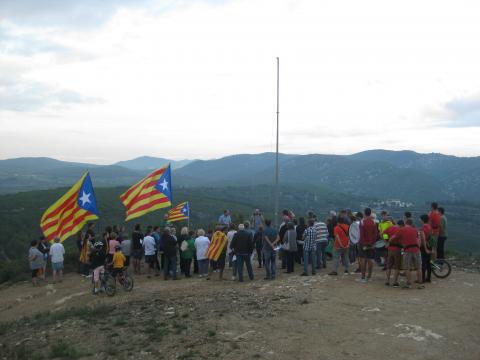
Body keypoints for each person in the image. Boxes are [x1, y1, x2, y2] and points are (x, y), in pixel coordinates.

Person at [395, 218, 423, 289]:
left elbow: (396, 237)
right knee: (419, 267)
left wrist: (389, 241)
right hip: (416, 249)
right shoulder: (415, 230)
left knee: (407, 268)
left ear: (405, 222)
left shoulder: (402, 229)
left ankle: (409, 284)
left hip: (407, 250)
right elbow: (418, 239)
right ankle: (420, 284)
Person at [359, 208, 378, 283]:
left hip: (363, 243)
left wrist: (364, 243)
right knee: (370, 259)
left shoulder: (362, 222)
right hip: (371, 243)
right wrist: (373, 243)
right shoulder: (373, 222)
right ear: (370, 213)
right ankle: (369, 276)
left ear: (364, 213)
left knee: (363, 259)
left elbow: (362, 234)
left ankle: (363, 277)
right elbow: (375, 234)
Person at [384, 220, 403, 287]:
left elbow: (384, 234)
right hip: (397, 249)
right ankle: (395, 282)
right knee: (397, 266)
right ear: (401, 225)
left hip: (389, 249)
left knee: (389, 265)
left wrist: (386, 241)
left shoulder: (390, 227)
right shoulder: (400, 229)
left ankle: (387, 281)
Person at [419, 214, 433, 283]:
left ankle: (423, 279)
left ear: (422, 220)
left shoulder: (422, 228)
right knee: (428, 262)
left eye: (420, 219)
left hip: (424, 247)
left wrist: (425, 248)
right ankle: (429, 278)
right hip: (429, 245)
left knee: (423, 263)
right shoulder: (430, 227)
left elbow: (423, 239)